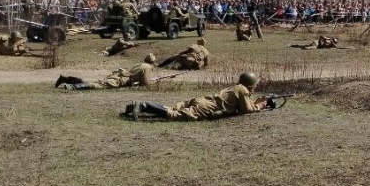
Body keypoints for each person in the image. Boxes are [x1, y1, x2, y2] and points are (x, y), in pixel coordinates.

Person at [125, 71, 267, 121]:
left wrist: (254, 102)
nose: (255, 87)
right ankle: (144, 105)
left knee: (172, 109)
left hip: (203, 100)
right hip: (207, 106)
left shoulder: (238, 87)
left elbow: (243, 103)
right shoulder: (243, 90)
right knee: (175, 116)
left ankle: (140, 107)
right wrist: (259, 106)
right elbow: (246, 110)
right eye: (254, 85)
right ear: (250, 84)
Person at [56, 54, 156, 90]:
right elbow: (145, 83)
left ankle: (67, 79)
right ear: (152, 62)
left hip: (116, 76)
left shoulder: (140, 64)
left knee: (94, 83)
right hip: (118, 80)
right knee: (94, 85)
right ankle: (71, 86)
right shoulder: (147, 67)